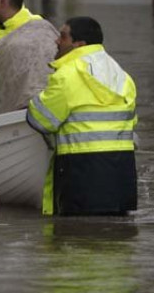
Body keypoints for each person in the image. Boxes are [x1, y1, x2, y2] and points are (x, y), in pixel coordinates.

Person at [26, 16, 138, 216]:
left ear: (79, 44)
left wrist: (34, 100)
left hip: (81, 170)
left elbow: (42, 121)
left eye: (63, 36)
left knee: (75, 240)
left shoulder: (67, 75)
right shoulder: (122, 76)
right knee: (117, 240)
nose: (57, 41)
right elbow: (130, 122)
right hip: (122, 172)